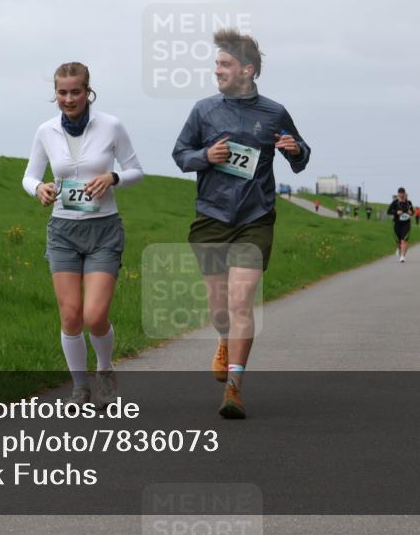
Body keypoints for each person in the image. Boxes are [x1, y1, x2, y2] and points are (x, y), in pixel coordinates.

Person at [173, 29, 310, 419]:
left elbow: (300, 156)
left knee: (240, 301)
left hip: (255, 218)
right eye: (216, 63)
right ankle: (223, 340)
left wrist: (296, 150)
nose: (217, 70)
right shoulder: (204, 111)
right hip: (212, 217)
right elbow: (181, 154)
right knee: (220, 310)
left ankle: (234, 387)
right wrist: (206, 155)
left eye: (224, 64)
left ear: (247, 70)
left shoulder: (273, 113)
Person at [23, 62, 143, 409]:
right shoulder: (46, 131)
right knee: (71, 315)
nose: (69, 98)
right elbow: (29, 176)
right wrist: (40, 189)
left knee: (94, 315)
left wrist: (113, 178)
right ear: (55, 94)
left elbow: (136, 170)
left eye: (76, 91)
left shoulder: (111, 126)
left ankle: (104, 369)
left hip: (104, 229)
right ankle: (79, 386)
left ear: (88, 91)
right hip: (63, 230)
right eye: (62, 92)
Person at [387, 188, 414, 263]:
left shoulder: (409, 203)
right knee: (398, 242)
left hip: (406, 223)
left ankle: (402, 257)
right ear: (398, 194)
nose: (401, 195)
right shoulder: (395, 202)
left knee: (404, 240)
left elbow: (412, 212)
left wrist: (410, 212)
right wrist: (396, 212)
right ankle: (399, 249)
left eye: (403, 193)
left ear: (405, 194)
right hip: (397, 223)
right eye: (400, 193)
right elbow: (389, 211)